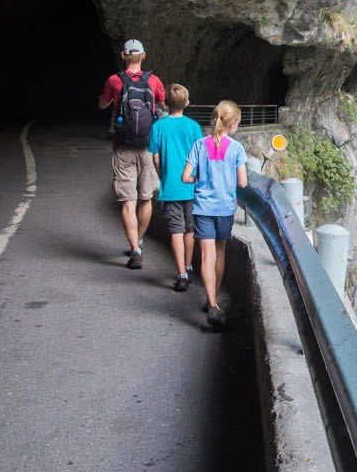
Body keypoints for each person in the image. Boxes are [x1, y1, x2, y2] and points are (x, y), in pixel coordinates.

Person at [98, 39, 166, 269]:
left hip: (123, 146)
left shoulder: (114, 80)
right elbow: (162, 103)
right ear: (143, 56)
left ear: (123, 55)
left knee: (128, 201)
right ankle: (139, 240)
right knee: (146, 198)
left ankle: (135, 250)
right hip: (148, 146)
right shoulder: (154, 81)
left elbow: (102, 104)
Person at [182, 100, 247, 329]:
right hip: (224, 209)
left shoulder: (200, 144)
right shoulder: (237, 149)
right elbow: (243, 181)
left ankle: (211, 303)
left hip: (203, 208)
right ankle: (215, 301)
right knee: (219, 254)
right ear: (233, 123)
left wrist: (199, 179)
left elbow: (185, 177)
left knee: (206, 256)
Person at [147, 83, 199, 291]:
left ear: (166, 103)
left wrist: (163, 176)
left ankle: (181, 274)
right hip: (191, 188)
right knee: (189, 230)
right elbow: (199, 157)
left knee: (176, 232)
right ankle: (189, 265)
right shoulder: (193, 127)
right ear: (187, 103)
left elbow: (156, 158)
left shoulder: (158, 127)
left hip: (170, 189)